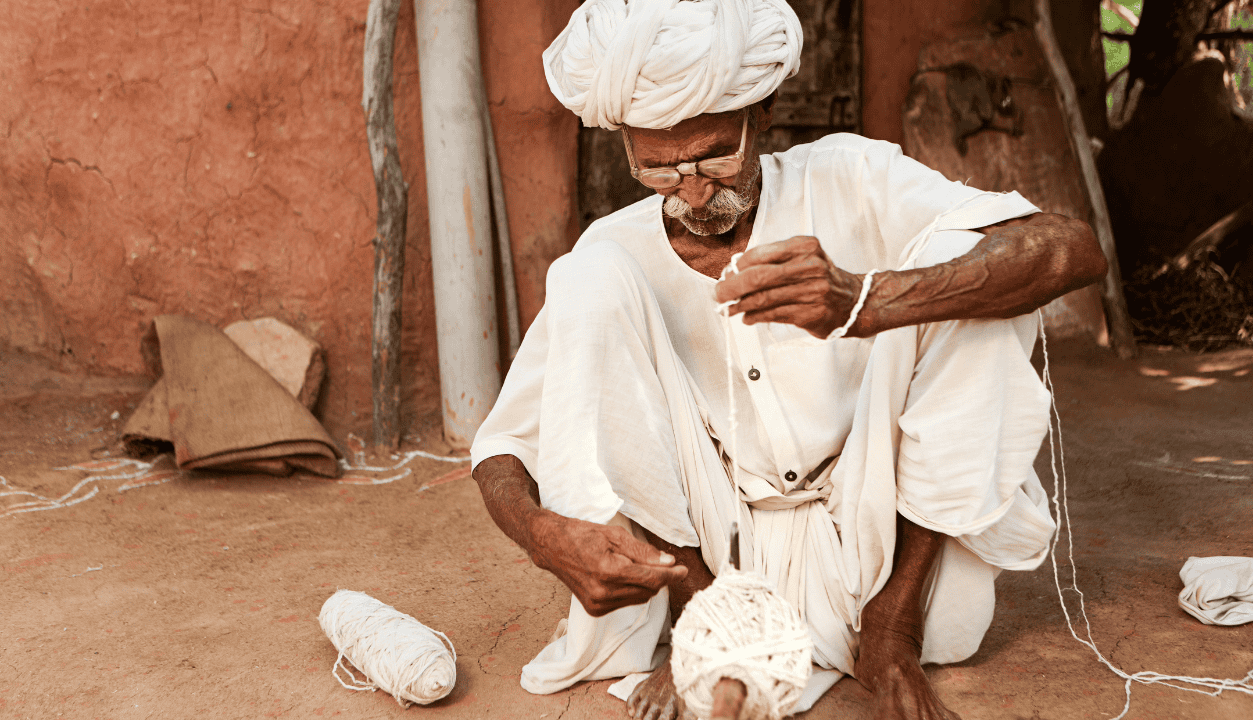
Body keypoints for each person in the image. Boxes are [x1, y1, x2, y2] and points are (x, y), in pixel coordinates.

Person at [471, 2, 1107, 719]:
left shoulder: (851, 177)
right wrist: (539, 536)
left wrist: (867, 299)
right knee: (586, 276)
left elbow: (1070, 248)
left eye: (714, 155)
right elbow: (501, 447)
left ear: (764, 111)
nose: (695, 191)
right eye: (658, 170)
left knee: (961, 267)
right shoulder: (616, 249)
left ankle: (889, 635)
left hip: (877, 551)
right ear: (625, 148)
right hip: (700, 557)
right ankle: (702, 629)